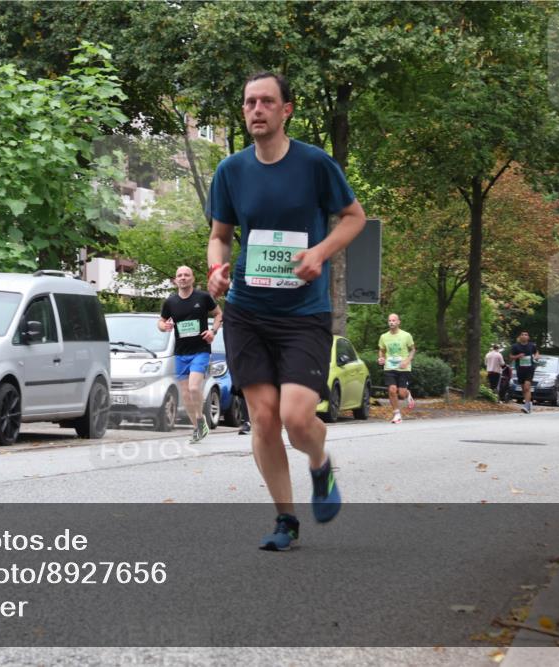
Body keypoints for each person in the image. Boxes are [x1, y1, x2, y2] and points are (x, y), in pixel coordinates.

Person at [207, 71, 367, 551]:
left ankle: (320, 464)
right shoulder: (231, 171)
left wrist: (320, 252)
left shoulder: (316, 165)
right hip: (247, 311)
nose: (256, 109)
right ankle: (285, 520)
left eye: (266, 102)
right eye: (249, 102)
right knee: (263, 418)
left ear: (286, 110)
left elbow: (354, 217)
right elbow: (220, 235)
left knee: (298, 419)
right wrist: (216, 270)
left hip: (303, 313)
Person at [158, 266, 222, 443]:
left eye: (186, 275)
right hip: (180, 352)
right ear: (175, 280)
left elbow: (219, 314)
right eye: (180, 275)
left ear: (192, 279)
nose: (183, 278)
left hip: (200, 350)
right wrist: (164, 326)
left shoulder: (202, 297)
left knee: (194, 388)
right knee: (186, 395)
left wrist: (213, 332)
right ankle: (198, 427)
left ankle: (201, 419)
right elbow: (161, 322)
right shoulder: (170, 302)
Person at [378, 313, 416, 424]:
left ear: (398, 322)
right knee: (392, 390)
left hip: (403, 367)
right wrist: (381, 358)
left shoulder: (406, 335)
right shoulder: (384, 337)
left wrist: (407, 361)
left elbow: (413, 350)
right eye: (390, 320)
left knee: (402, 394)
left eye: (394, 320)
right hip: (390, 367)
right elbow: (382, 349)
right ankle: (397, 414)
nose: (391, 322)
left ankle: (408, 394)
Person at [509, 331, 540, 414]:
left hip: (530, 369)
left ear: (528, 337)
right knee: (523, 388)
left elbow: (536, 352)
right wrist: (518, 356)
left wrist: (536, 356)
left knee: (527, 387)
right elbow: (511, 357)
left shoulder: (531, 345)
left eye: (526, 334)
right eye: (522, 334)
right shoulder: (515, 346)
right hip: (520, 369)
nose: (524, 336)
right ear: (520, 337)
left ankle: (526, 405)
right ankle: (529, 403)